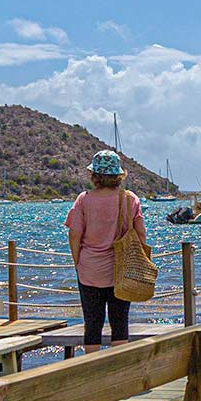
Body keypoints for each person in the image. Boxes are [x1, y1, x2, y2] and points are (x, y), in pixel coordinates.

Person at [66, 149, 145, 351]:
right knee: (120, 323)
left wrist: (78, 263)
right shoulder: (130, 199)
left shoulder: (83, 200)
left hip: (90, 269)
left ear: (95, 176)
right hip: (121, 269)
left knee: (92, 323)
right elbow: (141, 234)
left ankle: (93, 371)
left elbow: (74, 235)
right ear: (119, 175)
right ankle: (119, 371)